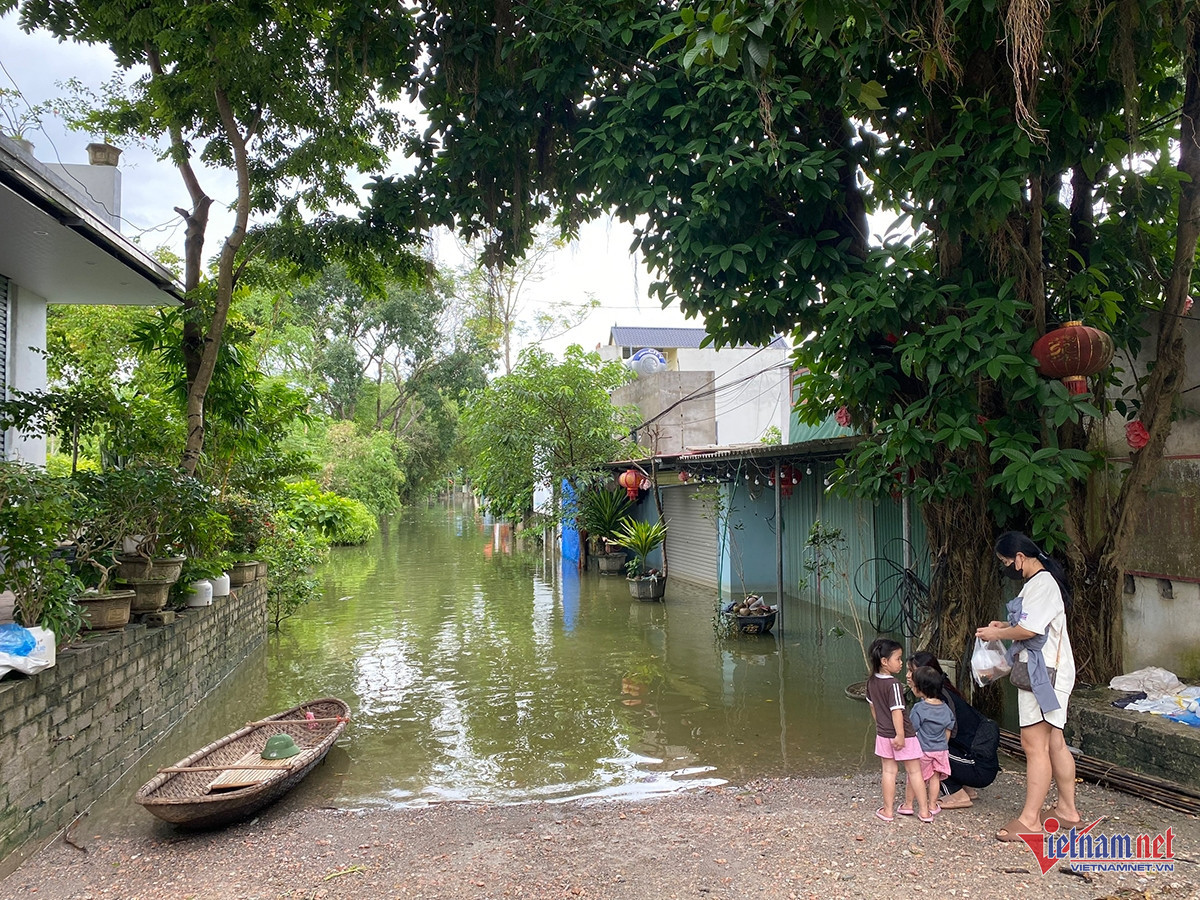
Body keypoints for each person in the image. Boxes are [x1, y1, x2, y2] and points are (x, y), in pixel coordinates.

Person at [976, 531, 1080, 842]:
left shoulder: (1043, 584)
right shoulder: (1039, 584)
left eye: (1007, 561)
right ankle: (1067, 811)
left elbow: (1031, 629)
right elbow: (1032, 625)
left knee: (1033, 745)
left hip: (1043, 674)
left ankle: (1031, 820)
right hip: (1051, 672)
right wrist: (1004, 626)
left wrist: (998, 636)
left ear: (1021, 558)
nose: (1007, 566)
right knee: (1055, 742)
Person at [907, 651, 1000, 809]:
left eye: (913, 671)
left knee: (932, 754)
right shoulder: (942, 694)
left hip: (979, 767)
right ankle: (967, 789)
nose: (908, 675)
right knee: (936, 747)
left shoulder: (941, 699)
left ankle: (958, 795)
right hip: (978, 761)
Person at [865, 638, 932, 823]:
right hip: (903, 734)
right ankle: (925, 812)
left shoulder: (871, 682)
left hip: (883, 733)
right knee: (915, 772)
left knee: (888, 771)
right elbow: (897, 711)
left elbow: (873, 709)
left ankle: (888, 811)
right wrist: (900, 735)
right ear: (884, 662)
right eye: (898, 659)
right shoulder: (894, 684)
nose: (901, 663)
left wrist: (882, 727)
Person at [900, 665, 956, 818]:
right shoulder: (946, 708)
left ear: (919, 689)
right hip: (941, 750)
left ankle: (909, 804)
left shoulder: (919, 708)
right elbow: (948, 728)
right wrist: (943, 744)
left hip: (923, 749)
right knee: (934, 777)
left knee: (914, 775)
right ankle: (932, 805)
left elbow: (912, 729)